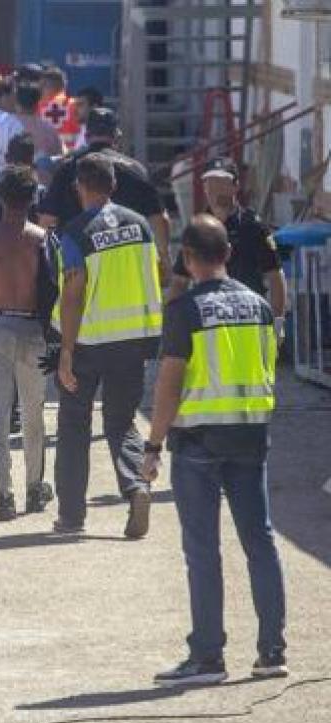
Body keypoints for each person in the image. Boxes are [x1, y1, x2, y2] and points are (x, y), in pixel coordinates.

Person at [144, 214, 287, 686]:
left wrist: (153, 444)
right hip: (250, 437)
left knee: (203, 552)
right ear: (227, 254)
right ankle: (271, 652)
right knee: (260, 543)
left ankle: (208, 657)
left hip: (199, 442)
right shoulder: (260, 306)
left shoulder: (184, 310)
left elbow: (168, 384)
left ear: (188, 258)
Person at [50, 154, 164, 538]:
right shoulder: (141, 226)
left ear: (79, 187)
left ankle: (71, 516)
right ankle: (135, 488)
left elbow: (73, 294)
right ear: (113, 186)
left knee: (73, 424)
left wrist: (65, 350)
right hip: (133, 342)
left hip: (88, 343)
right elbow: (155, 274)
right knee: (121, 422)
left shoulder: (77, 231)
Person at [0, 166, 53, 520]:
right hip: (33, 330)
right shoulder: (43, 239)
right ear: (33, 198)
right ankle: (35, 489)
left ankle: (5, 495)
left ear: (0, 199)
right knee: (34, 416)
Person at [39, 107, 172, 277]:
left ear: (86, 136)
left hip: (78, 265)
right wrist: (164, 258)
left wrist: (52, 263)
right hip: (127, 266)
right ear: (116, 136)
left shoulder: (66, 169)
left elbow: (47, 221)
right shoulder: (135, 170)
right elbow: (160, 219)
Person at [169, 159, 288, 333]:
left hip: (249, 317)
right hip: (209, 320)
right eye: (210, 183)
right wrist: (170, 323)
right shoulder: (197, 228)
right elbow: (180, 281)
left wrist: (278, 324)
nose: (215, 189)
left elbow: (275, 276)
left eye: (221, 182)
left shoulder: (253, 226)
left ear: (235, 186)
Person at [13, 83, 63, 168]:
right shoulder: (49, 129)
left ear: (16, 103)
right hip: (43, 178)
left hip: (12, 177)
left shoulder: (8, 126)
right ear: (37, 104)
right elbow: (59, 159)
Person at [37, 67, 80, 152]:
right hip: (71, 156)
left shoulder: (38, 107)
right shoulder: (75, 105)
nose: (40, 90)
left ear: (47, 86)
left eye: (42, 86)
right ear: (64, 85)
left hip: (46, 157)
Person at [71, 86, 104, 150]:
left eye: (80, 105)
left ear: (94, 107)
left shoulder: (101, 133)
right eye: (75, 105)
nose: (75, 109)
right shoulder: (83, 129)